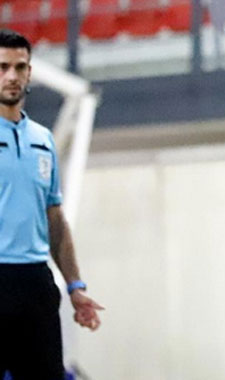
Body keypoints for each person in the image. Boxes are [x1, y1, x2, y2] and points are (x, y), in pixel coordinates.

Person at [0, 29, 104, 380]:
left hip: (36, 284)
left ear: (29, 73)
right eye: (2, 67)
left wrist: (75, 287)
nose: (11, 76)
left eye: (19, 67)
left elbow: (55, 219)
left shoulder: (43, 140)